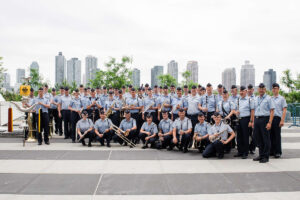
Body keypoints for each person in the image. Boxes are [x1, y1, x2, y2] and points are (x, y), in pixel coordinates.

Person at [253, 83, 275, 163]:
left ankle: (266, 156)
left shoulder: (269, 98)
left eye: (263, 88)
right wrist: (253, 120)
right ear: (258, 89)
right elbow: (254, 110)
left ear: (265, 90)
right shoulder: (256, 98)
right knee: (258, 138)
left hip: (265, 119)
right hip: (257, 119)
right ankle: (261, 155)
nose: (261, 90)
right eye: (260, 88)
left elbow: (272, 110)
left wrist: (269, 122)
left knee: (266, 138)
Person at [234, 86, 255, 159]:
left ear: (246, 91)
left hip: (246, 119)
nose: (241, 92)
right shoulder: (238, 99)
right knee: (239, 136)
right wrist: (236, 112)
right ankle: (240, 151)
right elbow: (234, 110)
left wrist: (251, 121)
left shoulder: (250, 100)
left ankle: (245, 152)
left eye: (242, 91)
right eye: (240, 91)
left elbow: (252, 111)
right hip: (239, 119)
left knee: (245, 136)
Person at [270, 83, 287, 158]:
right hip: (271, 118)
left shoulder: (282, 98)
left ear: (278, 89)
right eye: (273, 88)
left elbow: (284, 109)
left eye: (276, 88)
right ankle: (271, 151)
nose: (274, 89)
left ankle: (277, 152)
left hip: (277, 118)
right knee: (270, 135)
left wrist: (282, 120)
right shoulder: (270, 98)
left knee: (277, 136)